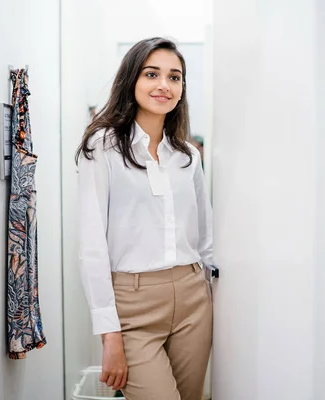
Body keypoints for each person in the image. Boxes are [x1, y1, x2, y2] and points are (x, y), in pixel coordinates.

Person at [75, 37, 214, 400]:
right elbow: (92, 246)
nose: (164, 85)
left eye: (175, 77)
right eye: (152, 74)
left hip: (192, 299)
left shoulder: (188, 156)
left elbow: (205, 237)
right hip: (132, 304)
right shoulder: (102, 147)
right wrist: (110, 335)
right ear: (131, 79)